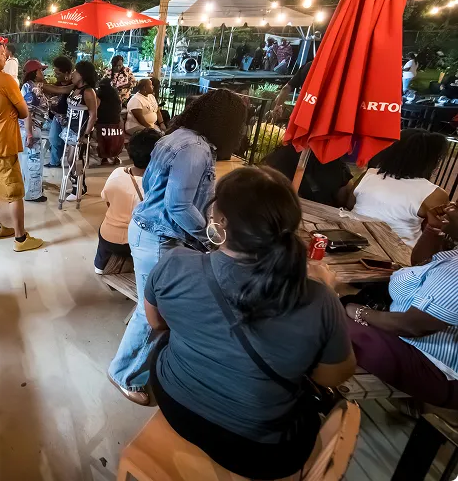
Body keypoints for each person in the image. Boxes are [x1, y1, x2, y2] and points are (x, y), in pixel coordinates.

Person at [143, 167, 355, 479]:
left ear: (222, 221)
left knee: (164, 344)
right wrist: (332, 296)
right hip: (258, 453)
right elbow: (329, 376)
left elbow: (157, 322)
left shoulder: (174, 263)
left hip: (175, 403)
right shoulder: (320, 300)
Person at [108, 88, 249, 405]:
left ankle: (134, 364)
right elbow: (179, 206)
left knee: (151, 306)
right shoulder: (195, 149)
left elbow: (151, 186)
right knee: (154, 313)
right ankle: (125, 375)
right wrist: (210, 237)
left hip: (148, 231)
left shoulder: (175, 136)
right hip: (160, 238)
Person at [340, 203, 458, 411]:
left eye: (457, 207)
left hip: (436, 368)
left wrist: (359, 312)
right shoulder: (453, 256)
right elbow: (422, 262)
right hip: (409, 339)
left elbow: (411, 326)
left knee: (328, 320)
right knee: (333, 307)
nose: (449, 207)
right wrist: (432, 230)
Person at [0, 39, 44, 252]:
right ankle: (20, 239)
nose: (6, 57)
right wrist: (12, 110)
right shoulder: (4, 80)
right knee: (15, 192)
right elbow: (24, 112)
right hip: (2, 145)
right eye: (3, 53)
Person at [349, 129, 449, 248]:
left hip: (352, 239)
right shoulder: (435, 194)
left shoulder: (369, 175)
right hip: (399, 252)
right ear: (430, 161)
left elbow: (350, 203)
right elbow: (432, 230)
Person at [94, 129, 162, 274]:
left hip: (108, 238)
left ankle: (99, 265)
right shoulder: (158, 184)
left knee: (105, 225)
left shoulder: (117, 173)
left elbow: (107, 202)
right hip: (136, 243)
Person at [263, 143, 352, 207]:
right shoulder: (332, 159)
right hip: (300, 210)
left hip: (284, 208)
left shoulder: (283, 154)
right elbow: (344, 196)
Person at [64, 60, 100, 201]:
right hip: (71, 129)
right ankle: (77, 185)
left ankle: (79, 188)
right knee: (71, 158)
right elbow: (60, 90)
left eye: (76, 71)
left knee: (75, 159)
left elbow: (93, 115)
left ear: (83, 74)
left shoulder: (89, 91)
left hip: (81, 130)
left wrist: (85, 134)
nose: (73, 73)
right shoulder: (74, 88)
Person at [19, 60, 49, 202]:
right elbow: (27, 113)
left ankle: (29, 190)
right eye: (40, 70)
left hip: (29, 128)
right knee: (33, 161)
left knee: (27, 161)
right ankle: (33, 194)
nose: (42, 73)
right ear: (34, 73)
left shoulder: (30, 87)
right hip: (31, 128)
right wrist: (30, 134)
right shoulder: (31, 89)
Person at [44, 56, 76, 168]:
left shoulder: (74, 85)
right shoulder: (57, 84)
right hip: (57, 117)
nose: (55, 75)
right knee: (53, 138)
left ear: (67, 72)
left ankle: (73, 164)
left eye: (58, 73)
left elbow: (62, 92)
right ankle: (54, 162)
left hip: (70, 118)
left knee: (70, 141)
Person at [95, 74, 124, 166]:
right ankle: (113, 157)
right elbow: (119, 106)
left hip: (102, 120)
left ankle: (104, 158)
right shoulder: (115, 94)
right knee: (114, 140)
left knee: (102, 140)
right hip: (114, 120)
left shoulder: (99, 93)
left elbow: (96, 106)